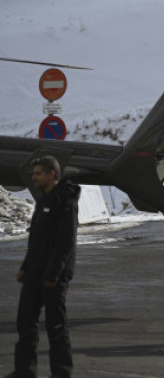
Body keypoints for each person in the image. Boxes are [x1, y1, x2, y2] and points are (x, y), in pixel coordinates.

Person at [7, 156, 80, 378]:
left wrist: (53, 274)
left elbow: (65, 243)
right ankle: (24, 371)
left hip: (53, 276)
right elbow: (37, 240)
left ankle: (61, 373)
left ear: (51, 174)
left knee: (55, 326)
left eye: (38, 173)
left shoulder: (65, 201)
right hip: (34, 274)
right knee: (25, 322)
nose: (33, 177)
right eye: (33, 173)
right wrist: (25, 267)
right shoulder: (44, 200)